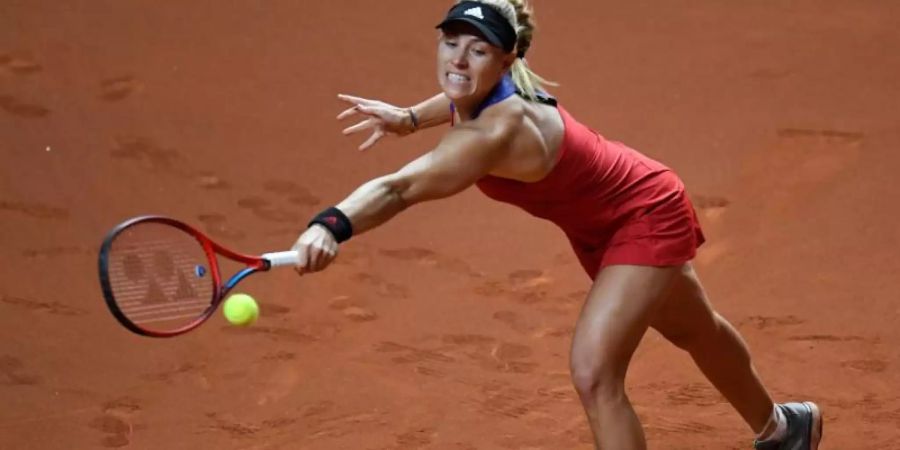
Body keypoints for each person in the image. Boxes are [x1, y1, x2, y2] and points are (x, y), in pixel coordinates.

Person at [290, 1, 823, 448]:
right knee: (693, 328)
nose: (458, 59)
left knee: (594, 373)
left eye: (477, 50)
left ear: (507, 60)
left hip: (645, 213)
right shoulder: (481, 92)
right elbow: (457, 95)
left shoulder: (495, 132)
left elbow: (398, 188)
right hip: (602, 223)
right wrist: (408, 118)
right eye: (451, 42)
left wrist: (329, 226)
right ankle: (785, 427)